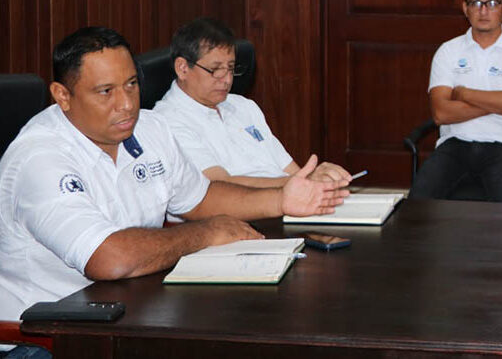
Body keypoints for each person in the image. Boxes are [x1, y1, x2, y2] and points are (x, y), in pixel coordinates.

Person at [0, 27, 348, 322]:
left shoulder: (149, 128)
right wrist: (206, 233)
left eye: (131, 84)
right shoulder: (39, 158)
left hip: (132, 312)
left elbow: (201, 198)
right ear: (63, 96)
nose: (126, 103)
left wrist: (281, 199)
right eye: (106, 92)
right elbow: (108, 259)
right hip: (48, 334)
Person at [153, 17, 351, 188]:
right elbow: (220, 186)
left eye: (231, 68)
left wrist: (317, 180)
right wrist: (299, 183)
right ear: (182, 68)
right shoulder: (166, 122)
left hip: (285, 203)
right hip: (238, 213)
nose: (227, 80)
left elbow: (291, 171)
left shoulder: (243, 106)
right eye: (216, 70)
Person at [409, 0, 502, 202]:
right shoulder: (448, 51)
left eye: (492, 3)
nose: (483, 10)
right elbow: (441, 113)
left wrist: (464, 93)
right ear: (465, 9)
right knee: (417, 205)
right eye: (476, 3)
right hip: (455, 145)